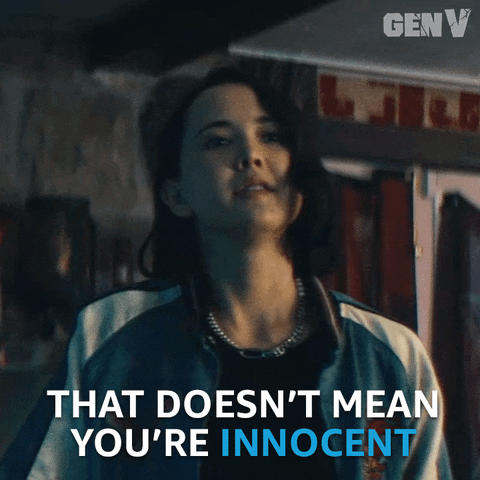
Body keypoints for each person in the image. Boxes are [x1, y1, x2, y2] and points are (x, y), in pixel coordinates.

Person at [2, 67, 451, 480]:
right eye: (218, 141)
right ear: (177, 195)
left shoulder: (389, 357)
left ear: (297, 193)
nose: (251, 155)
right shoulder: (110, 336)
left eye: (271, 136)